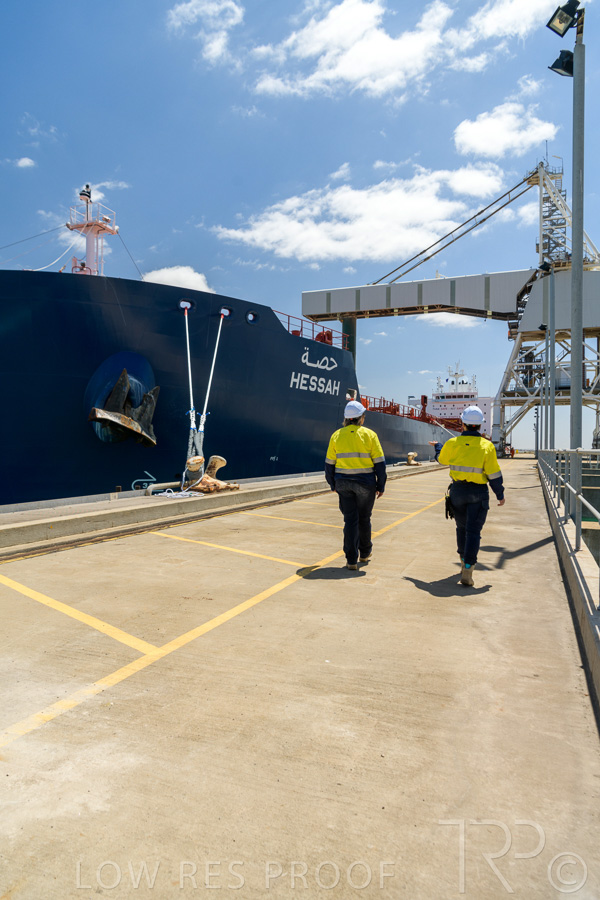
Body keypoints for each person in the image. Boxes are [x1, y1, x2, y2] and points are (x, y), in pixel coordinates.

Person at [438, 405, 505, 587]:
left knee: (461, 529)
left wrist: (438, 448)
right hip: (478, 493)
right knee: (473, 532)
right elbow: (493, 474)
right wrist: (500, 494)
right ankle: (468, 569)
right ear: (480, 425)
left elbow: (442, 460)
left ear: (463, 424)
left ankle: (462, 563)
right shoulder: (487, 446)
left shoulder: (452, 443)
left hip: (458, 491)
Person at [325, 400, 387, 571]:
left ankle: (351, 560)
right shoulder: (370, 435)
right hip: (365, 483)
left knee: (350, 520)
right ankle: (365, 553)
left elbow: (329, 463)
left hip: (343, 483)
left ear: (346, 419)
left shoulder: (336, 435)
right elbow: (380, 464)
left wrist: (332, 484)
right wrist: (381, 485)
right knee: (364, 518)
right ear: (361, 418)